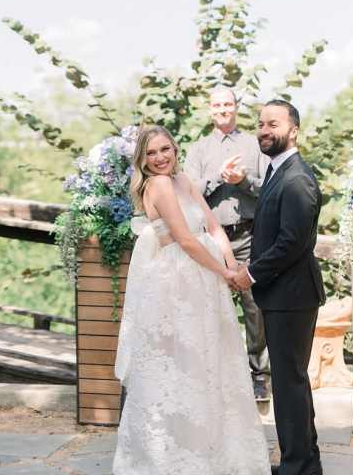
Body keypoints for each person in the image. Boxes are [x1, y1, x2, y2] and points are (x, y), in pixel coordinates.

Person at [113, 125, 270, 474]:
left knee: (212, 359)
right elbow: (185, 239)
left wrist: (232, 265)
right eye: (151, 153)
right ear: (142, 159)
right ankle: (175, 455)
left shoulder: (182, 179)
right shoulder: (158, 185)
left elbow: (213, 227)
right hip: (178, 281)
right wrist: (224, 273)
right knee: (181, 363)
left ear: (174, 148)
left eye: (164, 149)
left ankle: (216, 448)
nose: (159, 158)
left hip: (206, 276)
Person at [232, 100, 326, 475]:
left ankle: (296, 467)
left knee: (290, 386)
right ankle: (304, 463)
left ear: (294, 130)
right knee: (291, 385)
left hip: (293, 296)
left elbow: (292, 242)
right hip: (282, 296)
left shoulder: (298, 178)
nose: (264, 130)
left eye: (273, 123)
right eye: (260, 124)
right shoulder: (276, 171)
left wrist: (251, 273)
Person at [184, 87, 271, 400]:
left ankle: (259, 376)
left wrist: (243, 181)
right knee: (210, 306)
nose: (222, 109)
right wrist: (220, 178)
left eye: (228, 103)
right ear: (210, 109)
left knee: (254, 308)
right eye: (216, 104)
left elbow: (269, 191)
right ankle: (213, 375)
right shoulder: (198, 150)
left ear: (237, 107)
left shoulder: (254, 145)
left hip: (249, 236)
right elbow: (188, 195)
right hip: (210, 239)